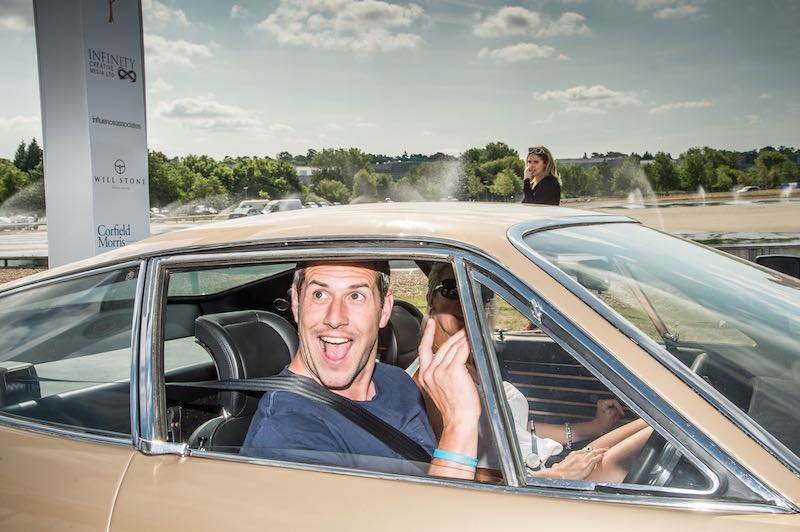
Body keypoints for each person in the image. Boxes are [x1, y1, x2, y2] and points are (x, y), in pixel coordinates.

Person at [240, 261, 481, 480]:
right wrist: (460, 424)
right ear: (296, 303)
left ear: (384, 309)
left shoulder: (398, 381)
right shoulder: (286, 433)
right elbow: (438, 513)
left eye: (356, 296)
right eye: (319, 294)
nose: (335, 318)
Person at [416, 262, 653, 482]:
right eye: (452, 290)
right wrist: (554, 475)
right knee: (653, 443)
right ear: (430, 299)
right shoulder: (430, 381)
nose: (466, 301)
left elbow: (513, 427)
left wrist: (593, 426)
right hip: (529, 484)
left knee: (654, 426)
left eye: (481, 292)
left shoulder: (474, 362)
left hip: (539, 465)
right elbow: (456, 468)